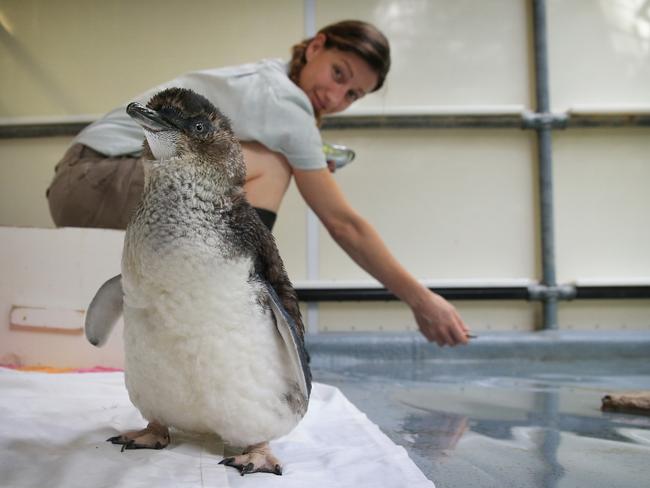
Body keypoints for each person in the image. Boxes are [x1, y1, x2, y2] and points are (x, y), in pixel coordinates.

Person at [46, 20, 470, 346]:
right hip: (95, 178)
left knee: (262, 159)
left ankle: (213, 284)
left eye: (353, 95)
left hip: (84, 177)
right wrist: (421, 299)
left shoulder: (269, 80)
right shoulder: (287, 104)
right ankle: (234, 292)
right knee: (273, 167)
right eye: (339, 74)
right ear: (316, 46)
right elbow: (343, 223)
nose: (337, 97)